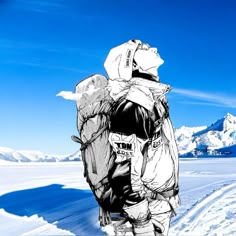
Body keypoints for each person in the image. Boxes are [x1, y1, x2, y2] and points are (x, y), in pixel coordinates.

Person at [104, 40, 180, 236]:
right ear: (134, 65)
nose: (153, 47)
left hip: (158, 202)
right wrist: (141, 219)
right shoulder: (135, 105)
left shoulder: (149, 98)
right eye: (144, 48)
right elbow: (124, 167)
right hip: (147, 206)